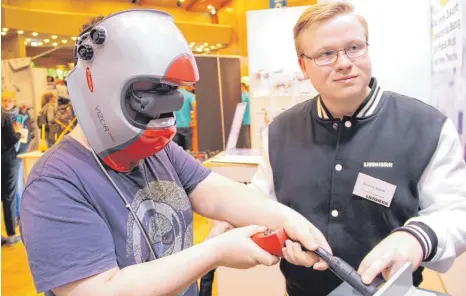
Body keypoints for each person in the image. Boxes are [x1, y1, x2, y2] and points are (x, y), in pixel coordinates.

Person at [20, 11, 333, 296]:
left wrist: (290, 220)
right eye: (149, 93)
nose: (167, 106)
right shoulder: (54, 183)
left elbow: (217, 193)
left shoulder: (159, 151)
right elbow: (98, 291)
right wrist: (215, 252)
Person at [247, 2, 466, 296]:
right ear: (303, 65)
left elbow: (456, 211)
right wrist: (284, 238)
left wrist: (415, 238)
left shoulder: (426, 126)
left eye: (354, 47)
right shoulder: (279, 131)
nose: (343, 62)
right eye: (326, 54)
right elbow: (261, 206)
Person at [1, 109, 21, 246]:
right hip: (6, 159)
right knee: (9, 196)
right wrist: (18, 133)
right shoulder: (3, 115)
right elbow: (11, 139)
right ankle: (11, 234)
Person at [173, 85, 196, 150]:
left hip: (174, 126)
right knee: (188, 151)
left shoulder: (171, 95)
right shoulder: (190, 95)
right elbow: (195, 107)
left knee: (175, 151)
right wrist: (195, 120)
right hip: (187, 126)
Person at [239, 81, 251, 148]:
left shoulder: (244, 95)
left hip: (245, 119)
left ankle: (248, 148)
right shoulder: (248, 94)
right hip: (248, 119)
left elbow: (241, 102)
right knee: (248, 135)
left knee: (246, 136)